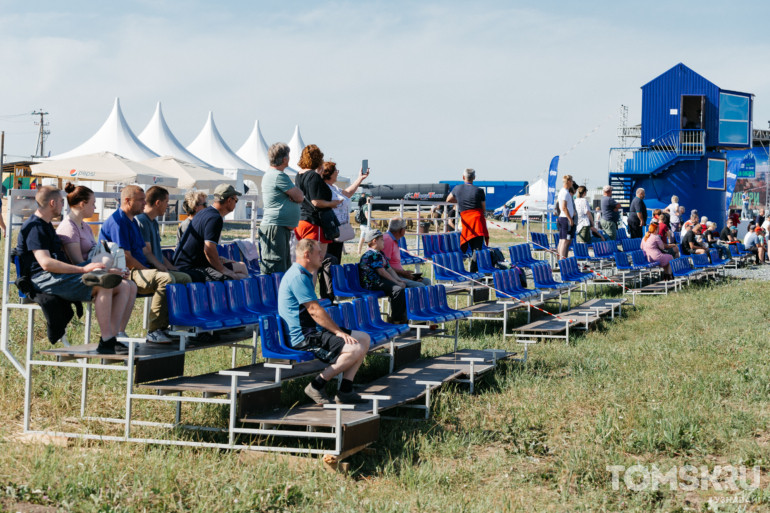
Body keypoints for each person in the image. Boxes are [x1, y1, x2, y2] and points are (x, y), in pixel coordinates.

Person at [19, 186, 135, 354]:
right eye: (60, 201)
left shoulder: (45, 225)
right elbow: (46, 264)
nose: (63, 205)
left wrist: (104, 269)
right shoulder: (34, 227)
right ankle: (107, 340)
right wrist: (82, 270)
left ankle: (114, 336)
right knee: (104, 284)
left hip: (59, 274)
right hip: (44, 278)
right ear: (52, 203)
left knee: (123, 285)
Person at [278, 239, 370, 404]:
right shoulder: (298, 277)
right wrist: (338, 332)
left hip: (313, 331)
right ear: (307, 255)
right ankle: (316, 385)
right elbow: (314, 310)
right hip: (303, 337)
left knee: (364, 338)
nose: (322, 255)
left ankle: (345, 391)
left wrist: (337, 332)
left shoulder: (302, 274)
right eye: (318, 253)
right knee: (355, 348)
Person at [100, 185, 188, 344]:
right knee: (165, 279)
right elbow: (125, 257)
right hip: (126, 271)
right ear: (127, 201)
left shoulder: (132, 221)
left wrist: (160, 266)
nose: (144, 203)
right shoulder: (118, 222)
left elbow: (145, 251)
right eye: (141, 200)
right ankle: (153, 330)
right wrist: (148, 270)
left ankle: (167, 326)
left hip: (139, 269)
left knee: (184, 278)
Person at [57, 183, 137, 337]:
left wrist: (115, 270)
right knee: (125, 286)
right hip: (80, 276)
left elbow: (95, 252)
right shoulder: (68, 228)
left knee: (131, 285)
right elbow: (78, 263)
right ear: (82, 204)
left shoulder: (84, 226)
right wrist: (109, 270)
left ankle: (118, 333)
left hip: (95, 271)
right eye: (93, 203)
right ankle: (111, 336)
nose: (94, 207)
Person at [174, 184, 248, 282]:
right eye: (236, 200)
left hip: (191, 264)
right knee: (237, 278)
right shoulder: (215, 218)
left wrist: (220, 259)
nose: (236, 203)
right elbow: (209, 249)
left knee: (242, 267)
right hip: (190, 269)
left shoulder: (205, 213)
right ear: (229, 200)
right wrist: (223, 270)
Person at [258, 142, 304, 274]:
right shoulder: (278, 176)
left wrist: (292, 196)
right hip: (275, 228)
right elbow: (300, 196)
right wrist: (293, 196)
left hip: (279, 228)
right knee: (275, 267)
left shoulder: (274, 175)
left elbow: (296, 196)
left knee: (282, 266)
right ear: (284, 159)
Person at [135, 186, 194, 284]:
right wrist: (163, 268)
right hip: (149, 270)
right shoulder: (142, 221)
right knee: (182, 279)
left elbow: (158, 253)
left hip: (158, 269)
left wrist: (171, 268)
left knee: (186, 277)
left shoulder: (153, 222)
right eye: (166, 202)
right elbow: (147, 253)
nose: (167, 206)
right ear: (158, 203)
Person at [295, 144, 341, 258]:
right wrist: (332, 204)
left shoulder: (299, 175)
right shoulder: (313, 175)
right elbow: (316, 201)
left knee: (304, 259)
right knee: (316, 260)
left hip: (301, 220)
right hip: (314, 221)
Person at [324, 161, 369, 268]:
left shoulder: (334, 187)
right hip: (331, 228)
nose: (338, 172)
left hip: (339, 228)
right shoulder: (324, 188)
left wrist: (360, 178)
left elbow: (348, 193)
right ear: (329, 173)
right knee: (331, 259)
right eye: (335, 170)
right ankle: (328, 283)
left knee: (337, 258)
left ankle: (333, 282)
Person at [358, 230, 407, 323]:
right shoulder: (372, 254)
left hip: (379, 281)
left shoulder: (380, 254)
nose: (384, 242)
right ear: (374, 241)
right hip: (372, 283)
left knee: (401, 287)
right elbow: (382, 272)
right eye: (381, 240)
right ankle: (397, 320)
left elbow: (389, 269)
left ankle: (403, 317)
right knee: (397, 290)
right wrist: (396, 283)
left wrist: (398, 280)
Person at [446, 168, 489, 271]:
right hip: (477, 221)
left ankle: (467, 271)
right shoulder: (479, 190)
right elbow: (483, 208)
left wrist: (460, 200)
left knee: (467, 245)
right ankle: (473, 272)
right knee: (477, 249)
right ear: (474, 177)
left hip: (466, 221)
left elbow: (448, 199)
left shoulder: (457, 189)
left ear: (463, 177)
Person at [383, 217, 430, 287]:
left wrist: (406, 275)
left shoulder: (392, 239)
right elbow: (384, 266)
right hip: (392, 277)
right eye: (405, 228)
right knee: (420, 286)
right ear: (401, 230)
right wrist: (403, 273)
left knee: (426, 281)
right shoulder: (387, 240)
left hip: (399, 275)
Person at [556, 175, 575, 259]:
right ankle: (562, 260)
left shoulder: (563, 191)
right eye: (571, 181)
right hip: (564, 218)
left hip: (563, 217)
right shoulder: (565, 192)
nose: (572, 183)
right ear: (568, 182)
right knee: (564, 240)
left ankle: (560, 260)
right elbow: (563, 207)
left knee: (561, 240)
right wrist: (570, 219)